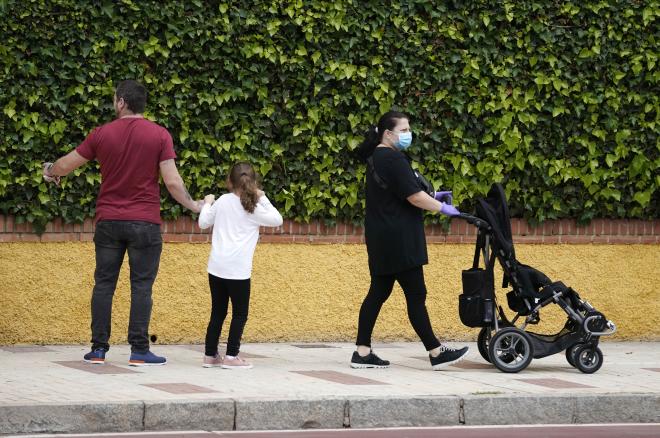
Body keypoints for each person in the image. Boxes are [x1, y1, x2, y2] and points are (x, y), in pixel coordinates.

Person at [42, 80, 202, 366]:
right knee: (141, 286)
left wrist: (50, 171)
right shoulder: (160, 135)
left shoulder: (102, 134)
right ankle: (139, 350)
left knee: (104, 284)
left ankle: (99, 350)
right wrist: (194, 205)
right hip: (145, 223)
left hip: (109, 222)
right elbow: (173, 181)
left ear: (121, 102)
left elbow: (68, 164)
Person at [351, 111, 470, 371]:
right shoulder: (392, 158)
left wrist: (435, 195)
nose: (408, 134)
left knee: (379, 292)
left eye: (408, 130)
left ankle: (362, 352)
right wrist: (441, 207)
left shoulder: (377, 158)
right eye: (403, 130)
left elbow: (400, 191)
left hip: (383, 237)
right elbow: (414, 197)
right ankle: (436, 351)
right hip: (400, 239)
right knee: (416, 294)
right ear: (388, 133)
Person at [198, 162, 283, 369]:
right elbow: (277, 219)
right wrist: (262, 196)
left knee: (218, 312)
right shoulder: (254, 207)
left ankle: (210, 355)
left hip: (216, 267)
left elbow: (203, 223)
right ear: (253, 183)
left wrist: (208, 202)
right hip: (238, 271)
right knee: (239, 314)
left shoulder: (223, 201)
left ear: (229, 181)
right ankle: (231, 356)